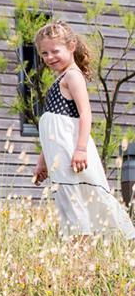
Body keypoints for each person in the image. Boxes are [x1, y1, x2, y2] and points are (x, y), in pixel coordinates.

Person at [32, 20, 135, 240]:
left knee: (77, 200)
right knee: (69, 201)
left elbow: (85, 113)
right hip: (59, 156)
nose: (49, 57)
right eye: (44, 53)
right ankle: (79, 248)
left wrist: (80, 149)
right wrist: (43, 160)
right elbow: (52, 132)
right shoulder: (60, 79)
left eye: (55, 51)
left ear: (71, 46)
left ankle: (87, 247)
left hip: (72, 154)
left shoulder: (72, 76)